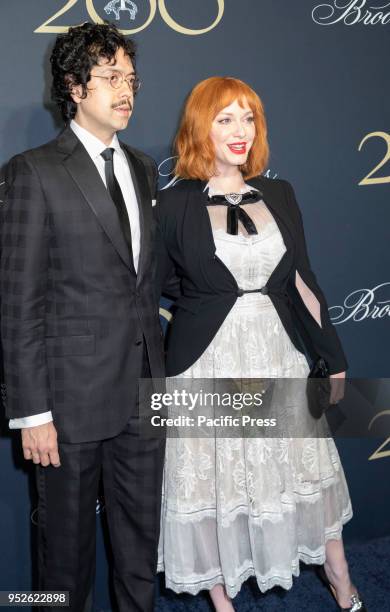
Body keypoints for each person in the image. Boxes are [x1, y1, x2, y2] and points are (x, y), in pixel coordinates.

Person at [155, 77, 366, 611]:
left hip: (278, 352)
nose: (240, 130)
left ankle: (341, 578)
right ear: (200, 126)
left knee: (303, 466)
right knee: (210, 483)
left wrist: (333, 359)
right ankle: (221, 601)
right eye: (225, 118)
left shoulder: (280, 193)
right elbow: (156, 286)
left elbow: (301, 282)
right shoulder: (172, 204)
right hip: (208, 361)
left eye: (248, 117)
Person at [0, 22, 165, 612]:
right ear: (74, 85)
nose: (126, 91)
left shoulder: (145, 168)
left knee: (141, 553)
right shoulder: (33, 170)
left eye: (131, 78)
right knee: (63, 566)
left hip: (145, 396)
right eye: (110, 77)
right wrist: (31, 412)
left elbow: (143, 284)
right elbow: (18, 304)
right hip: (67, 405)